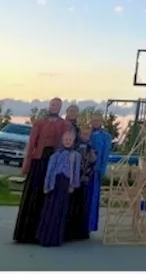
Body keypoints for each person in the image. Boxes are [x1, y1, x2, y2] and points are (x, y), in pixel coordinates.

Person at [13, 98, 71, 244]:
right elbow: (32, 143)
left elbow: (66, 144)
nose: (55, 107)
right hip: (39, 160)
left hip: (54, 162)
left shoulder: (64, 124)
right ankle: (27, 233)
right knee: (34, 195)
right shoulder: (39, 122)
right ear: (49, 106)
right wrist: (26, 165)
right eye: (53, 104)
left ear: (61, 108)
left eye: (58, 105)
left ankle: (44, 233)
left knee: (49, 196)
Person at [36, 128, 80, 248]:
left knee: (61, 210)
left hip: (65, 184)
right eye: (65, 139)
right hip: (54, 184)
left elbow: (76, 172)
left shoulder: (75, 156)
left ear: (73, 141)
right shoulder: (55, 155)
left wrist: (73, 185)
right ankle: (45, 237)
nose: (67, 141)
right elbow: (49, 171)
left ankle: (56, 238)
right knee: (50, 209)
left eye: (70, 140)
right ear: (62, 140)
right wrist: (47, 185)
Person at [64, 128, 94, 241]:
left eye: (87, 134)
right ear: (79, 134)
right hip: (74, 179)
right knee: (71, 204)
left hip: (84, 180)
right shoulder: (75, 147)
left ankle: (78, 231)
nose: (85, 136)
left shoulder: (91, 149)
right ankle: (70, 230)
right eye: (83, 133)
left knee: (81, 205)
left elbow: (91, 164)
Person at [86, 113, 113, 234]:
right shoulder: (86, 133)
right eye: (93, 120)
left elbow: (105, 155)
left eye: (98, 120)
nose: (95, 122)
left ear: (102, 121)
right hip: (82, 170)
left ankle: (89, 225)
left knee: (92, 197)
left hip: (95, 171)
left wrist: (101, 170)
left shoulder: (106, 136)